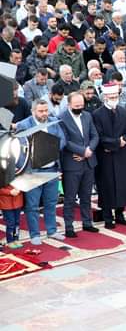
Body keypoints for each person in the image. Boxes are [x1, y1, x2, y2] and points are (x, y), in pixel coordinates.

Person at [15, 100, 67, 244]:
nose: (44, 114)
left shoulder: (53, 122)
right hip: (33, 171)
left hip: (51, 169)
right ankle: (35, 234)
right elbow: (19, 149)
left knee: (51, 202)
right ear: (33, 111)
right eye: (41, 111)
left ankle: (52, 231)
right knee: (32, 205)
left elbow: (62, 141)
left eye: (46, 111)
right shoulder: (23, 125)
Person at [92, 84, 126, 229]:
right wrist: (116, 142)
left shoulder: (123, 112)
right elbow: (99, 136)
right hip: (106, 156)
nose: (114, 100)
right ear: (105, 98)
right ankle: (108, 217)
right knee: (107, 186)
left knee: (122, 185)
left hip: (121, 155)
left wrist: (122, 141)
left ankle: (120, 214)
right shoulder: (97, 114)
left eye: (116, 97)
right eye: (111, 97)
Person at [0, 180, 23, 248]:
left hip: (18, 201)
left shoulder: (19, 171)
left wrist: (20, 189)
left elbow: (25, 184)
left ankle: (16, 239)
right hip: (6, 203)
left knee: (17, 222)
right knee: (10, 223)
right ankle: (10, 241)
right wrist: (9, 192)